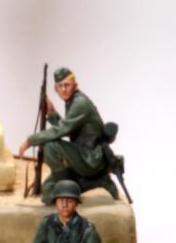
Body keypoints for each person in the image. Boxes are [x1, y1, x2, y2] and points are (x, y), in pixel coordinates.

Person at [19, 67, 118, 203]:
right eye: (60, 86)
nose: (64, 89)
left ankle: (66, 190)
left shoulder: (80, 103)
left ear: (75, 85)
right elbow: (69, 128)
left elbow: (62, 130)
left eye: (67, 85)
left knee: (50, 146)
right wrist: (52, 113)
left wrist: (30, 140)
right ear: (56, 89)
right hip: (81, 155)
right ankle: (76, 185)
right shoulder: (71, 101)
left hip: (90, 158)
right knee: (47, 191)